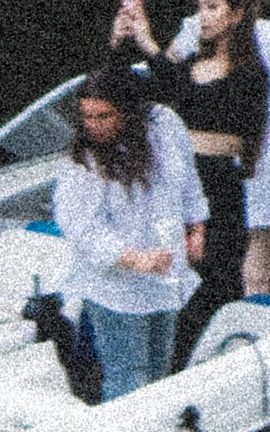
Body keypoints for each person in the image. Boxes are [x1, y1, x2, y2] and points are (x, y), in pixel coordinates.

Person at [113, 0, 270, 302]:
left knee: (225, 272)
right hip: (227, 165)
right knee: (246, 273)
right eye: (201, 7)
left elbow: (178, 81)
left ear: (234, 11)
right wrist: (135, 41)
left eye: (211, 7)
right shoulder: (262, 42)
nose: (202, 16)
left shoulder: (247, 68)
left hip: (230, 169)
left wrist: (151, 47)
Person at [51, 67, 207, 400]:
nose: (94, 125)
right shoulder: (84, 161)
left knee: (160, 367)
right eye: (87, 116)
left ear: (127, 111)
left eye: (103, 116)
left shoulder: (164, 125)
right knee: (128, 375)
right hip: (115, 282)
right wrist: (133, 259)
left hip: (165, 268)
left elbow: (188, 178)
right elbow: (79, 226)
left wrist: (196, 225)